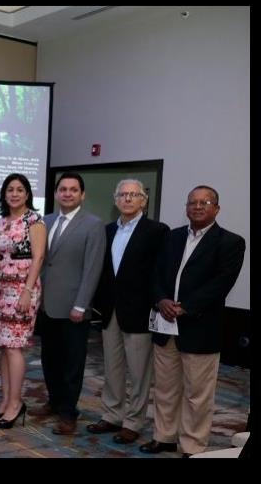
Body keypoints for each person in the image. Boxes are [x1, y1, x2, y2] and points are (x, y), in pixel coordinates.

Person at [140, 185, 245, 457]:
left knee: (197, 395)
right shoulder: (172, 237)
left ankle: (192, 445)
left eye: (205, 202)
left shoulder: (231, 242)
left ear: (216, 209)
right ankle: (164, 437)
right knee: (164, 388)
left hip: (200, 328)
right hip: (165, 324)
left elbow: (221, 283)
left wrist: (186, 308)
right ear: (186, 207)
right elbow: (156, 273)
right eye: (192, 202)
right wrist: (161, 300)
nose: (198, 206)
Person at [87, 179, 169, 444]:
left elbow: (160, 272)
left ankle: (133, 422)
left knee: (138, 374)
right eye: (123, 194)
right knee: (112, 369)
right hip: (110, 311)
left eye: (134, 195)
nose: (128, 199)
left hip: (140, 313)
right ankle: (111, 415)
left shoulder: (157, 231)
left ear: (143, 200)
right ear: (115, 199)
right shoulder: (107, 230)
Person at [33, 172, 105, 435]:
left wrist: (82, 304)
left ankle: (68, 413)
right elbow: (41, 262)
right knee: (49, 359)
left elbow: (92, 267)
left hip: (74, 308)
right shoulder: (45, 221)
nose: (67, 193)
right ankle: (53, 401)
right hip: (46, 305)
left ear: (82, 195)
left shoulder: (93, 224)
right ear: (56, 193)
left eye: (73, 190)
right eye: (62, 189)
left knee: (72, 363)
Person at [0, 174, 46, 429]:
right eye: (10, 190)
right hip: (2, 291)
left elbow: (38, 258)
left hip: (23, 291)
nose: (14, 194)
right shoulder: (1, 222)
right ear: (4, 194)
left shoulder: (33, 220)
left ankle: (16, 403)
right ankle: (5, 400)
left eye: (19, 190)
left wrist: (26, 291)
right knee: (4, 346)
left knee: (15, 346)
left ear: (27, 195)